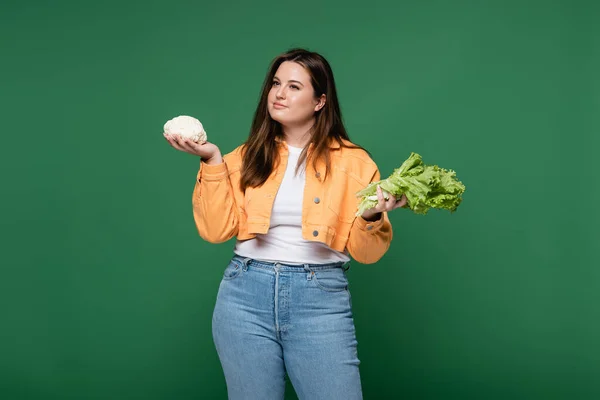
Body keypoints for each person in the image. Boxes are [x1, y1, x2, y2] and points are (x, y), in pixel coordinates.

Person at [164, 48, 407, 400]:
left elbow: (367, 253)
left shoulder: (355, 163)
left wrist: (371, 215)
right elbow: (215, 231)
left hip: (319, 298)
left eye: (294, 86)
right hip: (244, 294)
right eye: (276, 83)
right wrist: (212, 160)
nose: (279, 94)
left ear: (320, 101)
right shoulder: (246, 156)